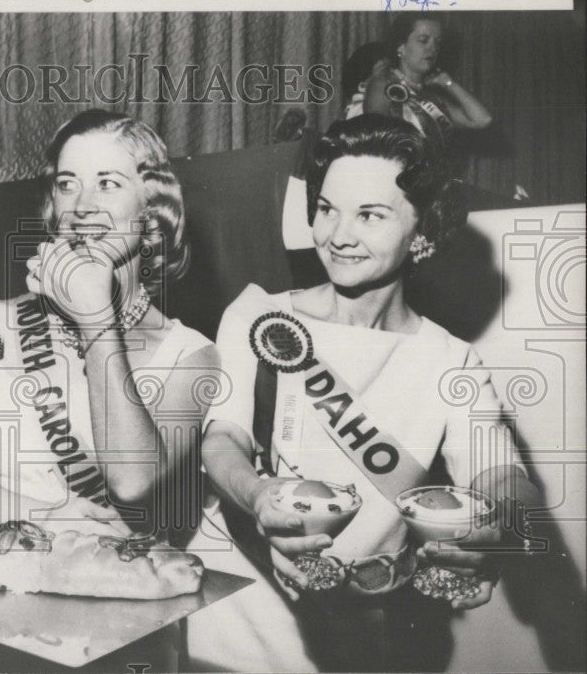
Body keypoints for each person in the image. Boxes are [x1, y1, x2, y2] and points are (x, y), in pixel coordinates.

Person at [187, 114, 540, 672]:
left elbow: (501, 474)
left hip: (363, 626)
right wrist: (258, 497)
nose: (337, 235)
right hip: (241, 610)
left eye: (369, 215)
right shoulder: (260, 315)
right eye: (327, 208)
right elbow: (221, 438)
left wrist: (499, 531)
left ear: (422, 231)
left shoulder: (450, 359)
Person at [0, 110, 220, 544]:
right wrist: (48, 518)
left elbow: (132, 483)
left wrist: (95, 320)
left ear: (150, 209)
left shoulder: (189, 355)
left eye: (108, 183)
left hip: (112, 590)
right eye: (68, 184)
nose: (82, 205)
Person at [344, 14, 493, 153]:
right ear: (401, 46)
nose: (433, 48)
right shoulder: (382, 82)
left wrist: (448, 82)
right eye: (423, 40)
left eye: (437, 42)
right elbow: (376, 133)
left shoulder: (432, 97)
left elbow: (481, 120)